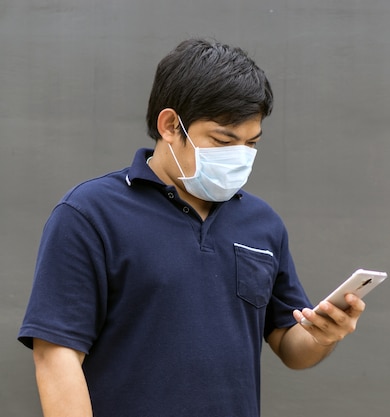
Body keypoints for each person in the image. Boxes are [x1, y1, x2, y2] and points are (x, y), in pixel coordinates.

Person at [18, 38, 366, 417]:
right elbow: (56, 354)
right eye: (223, 140)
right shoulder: (89, 213)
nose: (239, 156)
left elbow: (289, 345)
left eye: (251, 143)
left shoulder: (262, 224)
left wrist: (322, 335)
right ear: (169, 125)